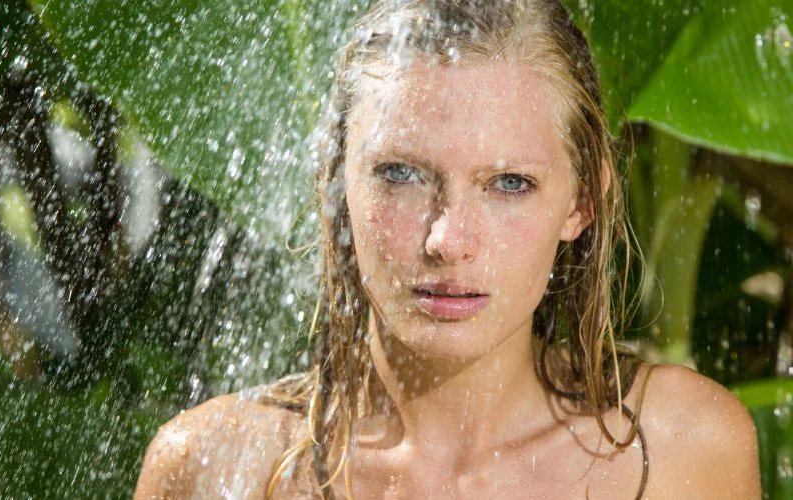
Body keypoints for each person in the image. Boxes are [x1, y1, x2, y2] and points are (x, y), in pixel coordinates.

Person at [134, 1, 761, 498]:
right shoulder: (214, 468)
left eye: (509, 184)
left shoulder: (684, 448)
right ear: (334, 179)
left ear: (582, 202)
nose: (447, 241)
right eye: (400, 174)